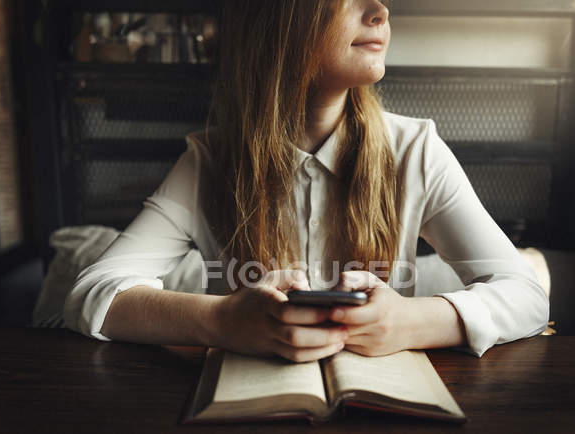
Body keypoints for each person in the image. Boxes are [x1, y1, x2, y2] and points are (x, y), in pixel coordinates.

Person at [64, 0, 549, 361]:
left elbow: (525, 295)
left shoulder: (415, 152)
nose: (381, 10)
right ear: (277, 17)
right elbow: (93, 293)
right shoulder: (209, 161)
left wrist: (410, 320)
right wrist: (223, 320)